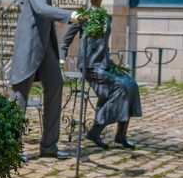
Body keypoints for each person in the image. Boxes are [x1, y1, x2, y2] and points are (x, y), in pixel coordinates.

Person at [10, 0, 79, 160]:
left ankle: (49, 146)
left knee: (55, 84)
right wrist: (71, 15)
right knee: (20, 91)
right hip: (30, 38)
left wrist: (27, 10)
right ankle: (10, 148)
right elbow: (39, 6)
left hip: (46, 38)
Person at [60, 13, 142, 149]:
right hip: (90, 66)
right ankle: (95, 131)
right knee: (121, 87)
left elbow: (104, 43)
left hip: (105, 64)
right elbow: (65, 41)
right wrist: (62, 59)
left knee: (131, 84)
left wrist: (109, 58)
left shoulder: (106, 17)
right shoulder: (83, 17)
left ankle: (121, 135)